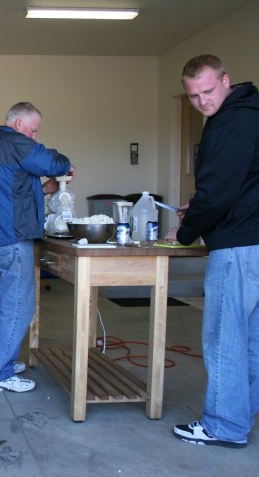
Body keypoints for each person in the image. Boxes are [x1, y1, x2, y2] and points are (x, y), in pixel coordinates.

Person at [165, 54, 259, 449]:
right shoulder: (250, 112)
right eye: (193, 96)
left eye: (207, 91)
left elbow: (218, 191)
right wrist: (200, 206)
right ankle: (240, 416)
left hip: (238, 247)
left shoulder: (231, 122)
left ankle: (224, 424)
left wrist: (185, 232)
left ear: (225, 80)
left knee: (224, 338)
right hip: (253, 240)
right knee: (249, 339)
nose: (202, 101)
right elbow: (240, 183)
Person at [0, 101, 75, 393]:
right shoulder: (14, 142)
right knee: (19, 305)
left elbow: (12, 191)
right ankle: (0, 372)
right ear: (19, 124)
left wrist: (43, 190)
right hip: (13, 238)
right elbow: (52, 162)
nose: (34, 136)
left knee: (5, 303)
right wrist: (66, 164)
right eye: (33, 131)